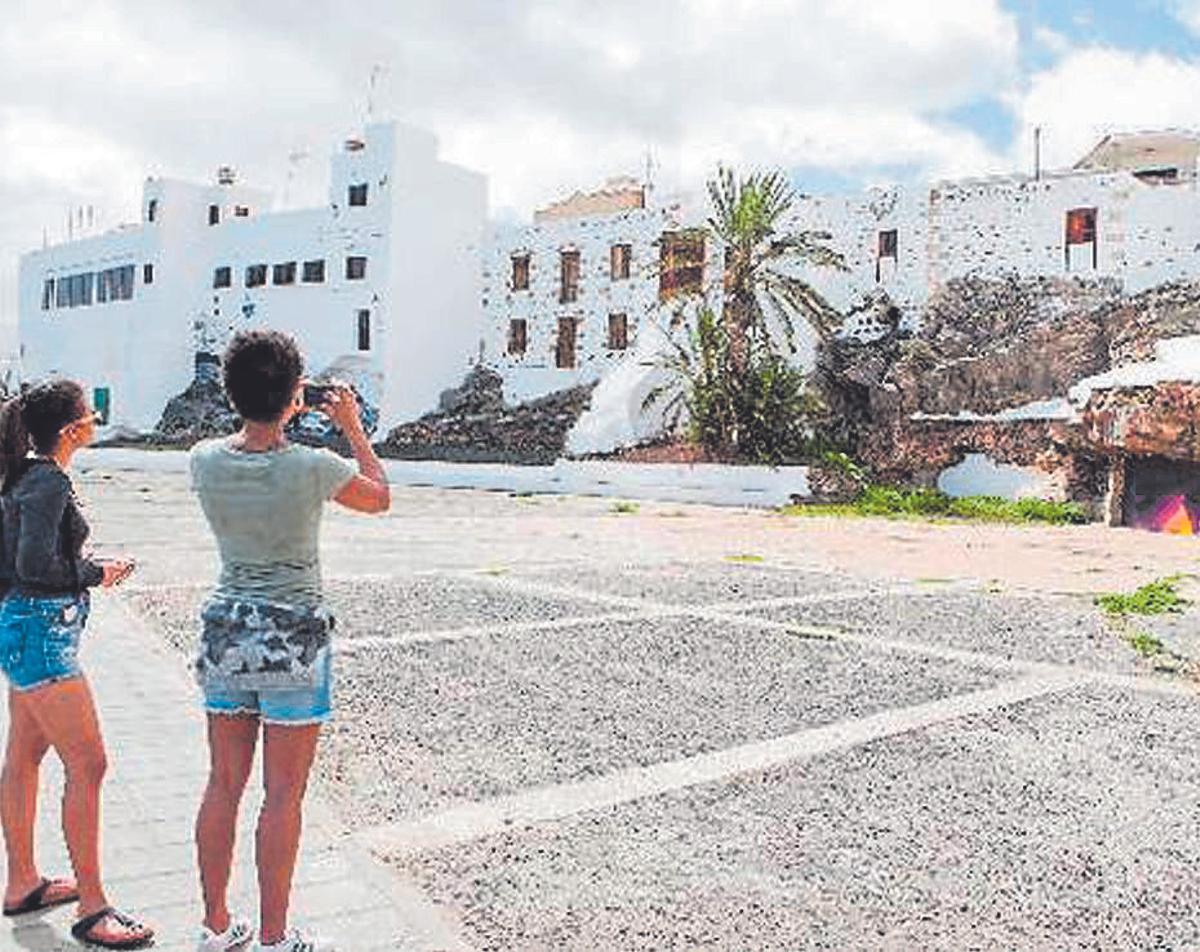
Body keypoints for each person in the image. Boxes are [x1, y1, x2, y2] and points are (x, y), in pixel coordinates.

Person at [190, 331, 389, 952]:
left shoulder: (203, 459)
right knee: (283, 796)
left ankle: (216, 926)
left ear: (230, 390)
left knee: (223, 783)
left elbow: (247, 446)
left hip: (227, 624)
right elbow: (379, 498)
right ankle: (274, 937)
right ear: (295, 394)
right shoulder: (312, 466)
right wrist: (353, 427)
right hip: (293, 631)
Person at [0, 379, 153, 949]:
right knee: (89, 765)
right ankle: (93, 910)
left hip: (23, 628)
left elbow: (21, 562)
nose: (97, 418)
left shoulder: (24, 475)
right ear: (72, 430)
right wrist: (97, 574)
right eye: (92, 413)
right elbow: (35, 563)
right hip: (42, 633)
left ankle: (22, 884)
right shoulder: (48, 480)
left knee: (24, 753)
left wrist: (83, 562)